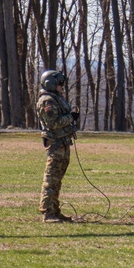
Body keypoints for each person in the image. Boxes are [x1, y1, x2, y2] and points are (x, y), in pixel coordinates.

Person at [36, 69, 79, 223]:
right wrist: (70, 117)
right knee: (51, 178)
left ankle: (55, 210)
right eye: (60, 84)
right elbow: (53, 123)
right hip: (55, 144)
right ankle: (48, 212)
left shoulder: (57, 99)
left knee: (57, 179)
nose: (62, 87)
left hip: (63, 143)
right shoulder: (47, 101)